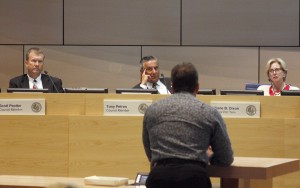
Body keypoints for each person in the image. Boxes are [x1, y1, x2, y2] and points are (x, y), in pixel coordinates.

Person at [142, 62, 234, 188]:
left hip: (158, 178)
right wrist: (208, 156)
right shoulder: (209, 113)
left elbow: (150, 154)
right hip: (194, 179)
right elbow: (226, 158)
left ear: (172, 86)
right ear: (197, 87)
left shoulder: (152, 111)